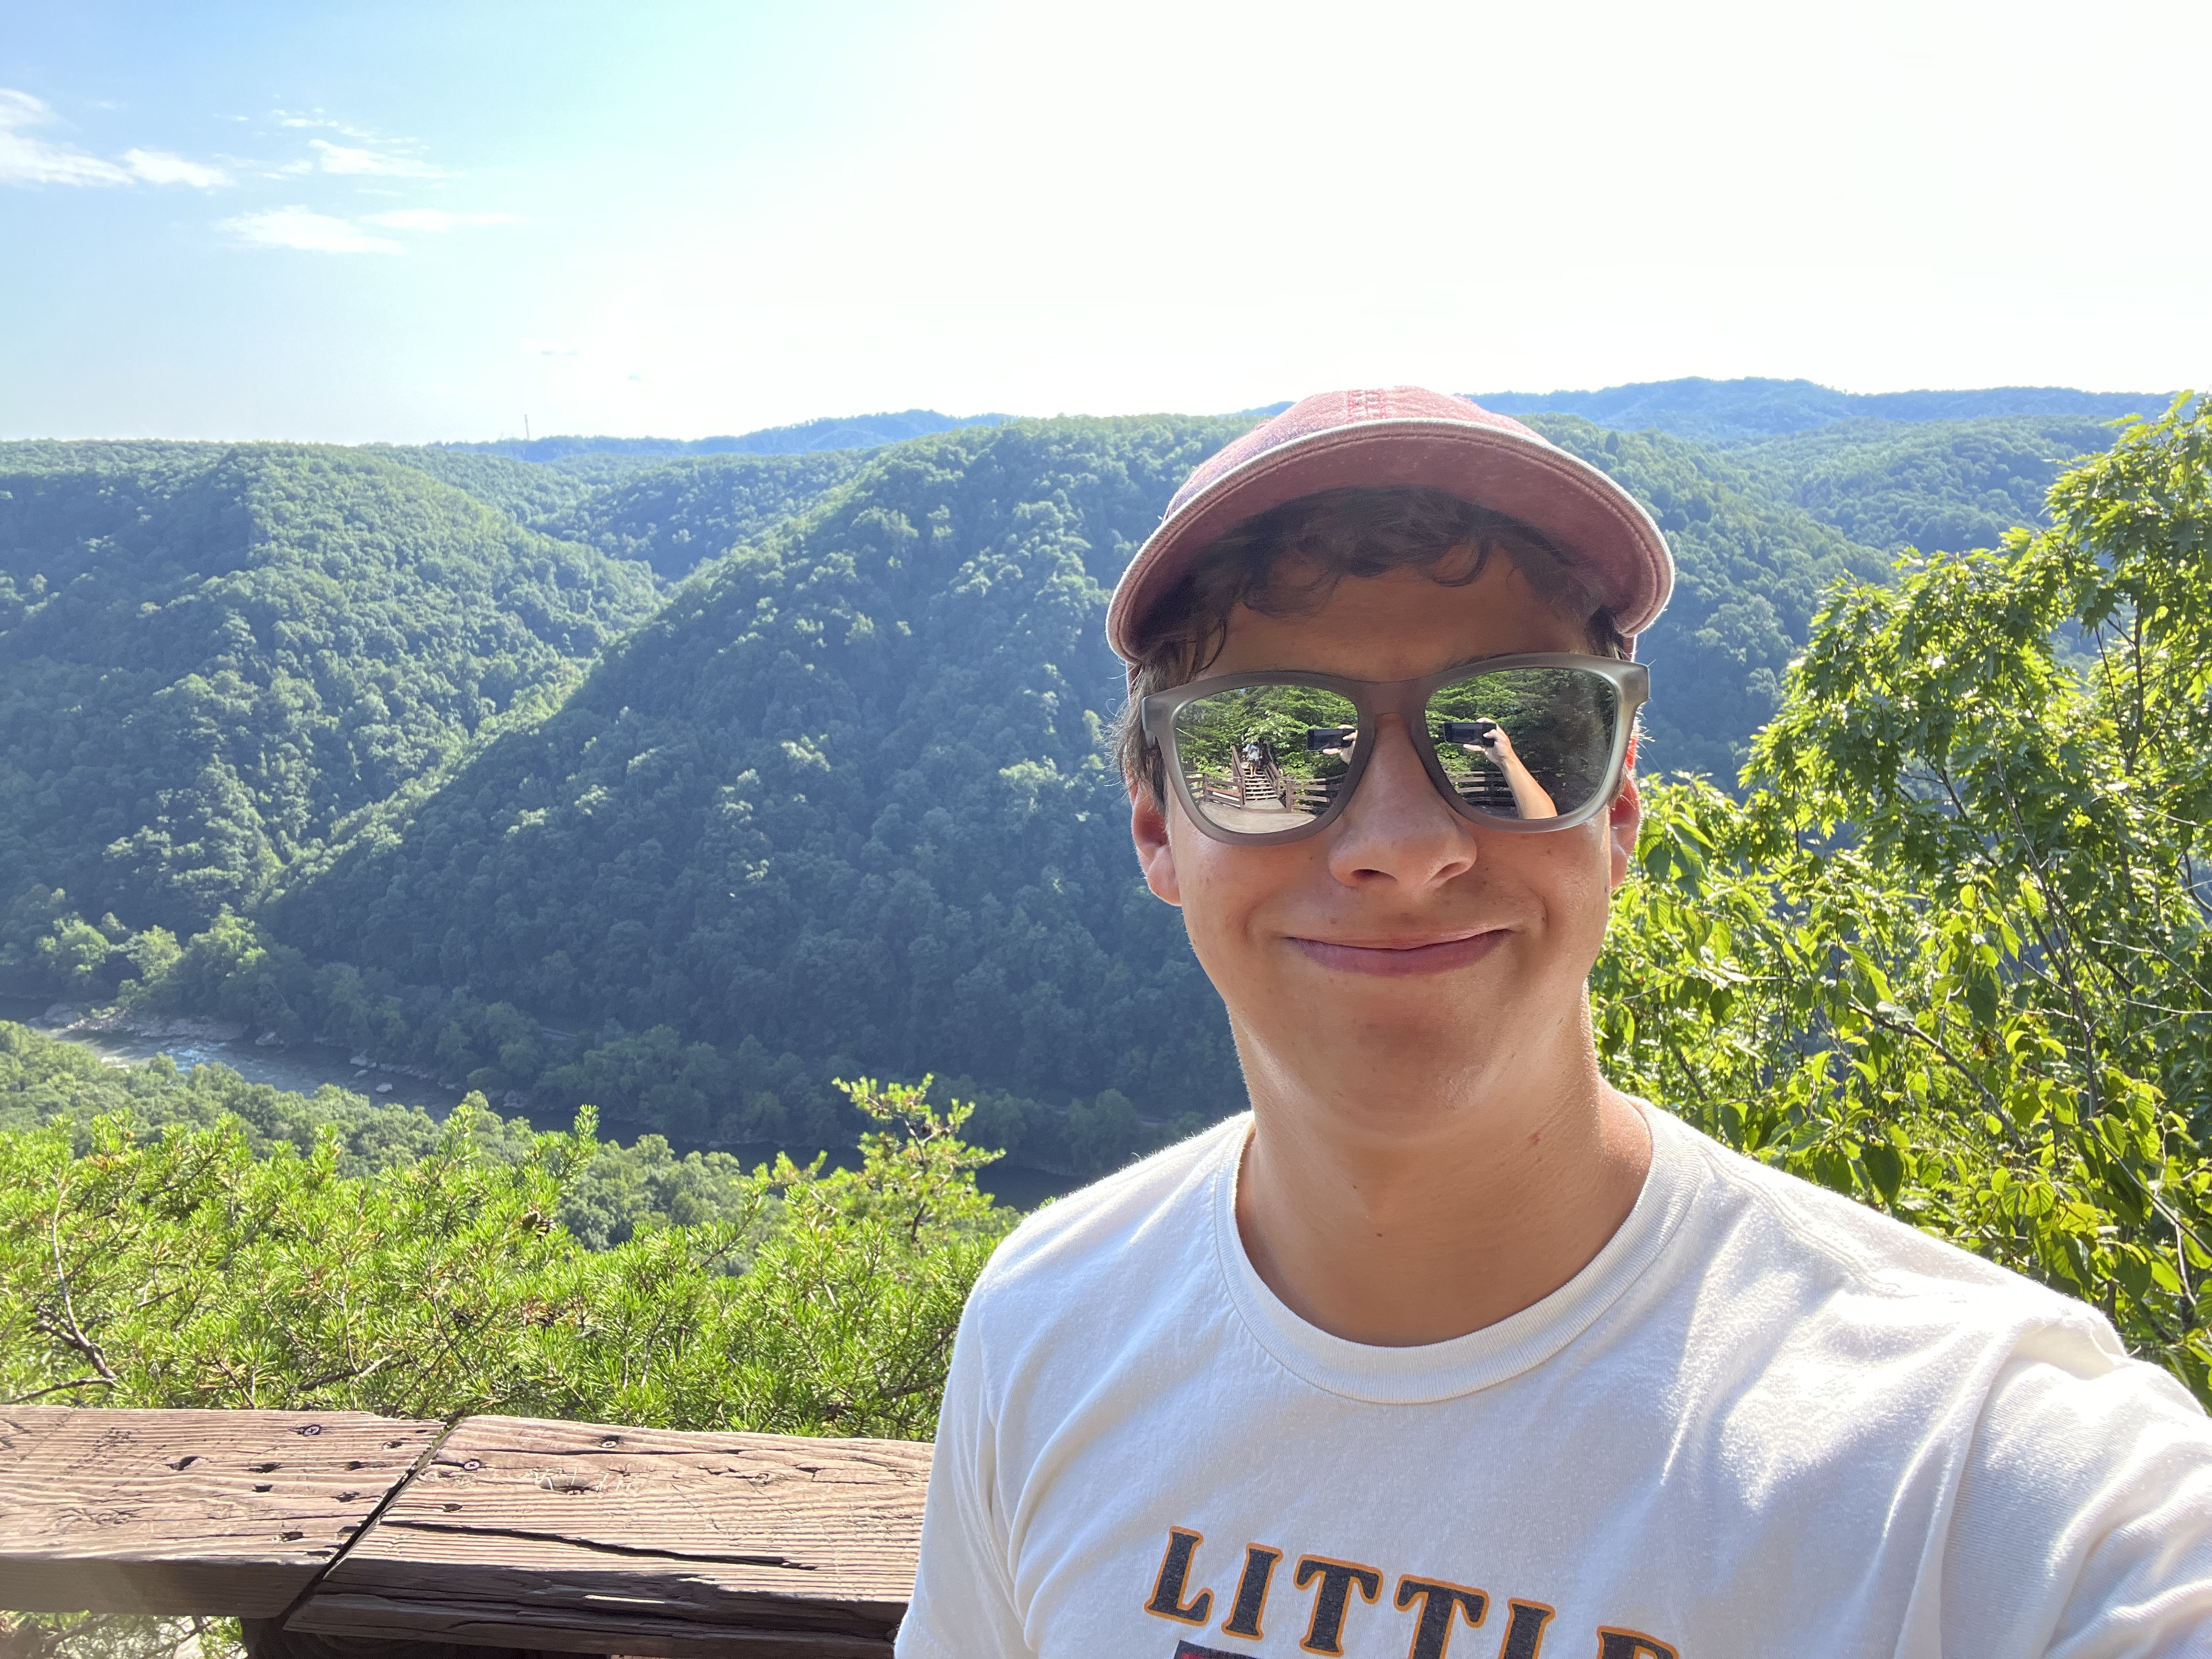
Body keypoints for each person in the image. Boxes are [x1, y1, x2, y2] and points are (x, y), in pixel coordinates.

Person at [896, 387, 2212, 1659]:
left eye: (1515, 731)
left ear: (1621, 806)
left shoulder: (1985, 1473)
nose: (1403, 845)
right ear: (1155, 827)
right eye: (1272, 744)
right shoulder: (1048, 1327)